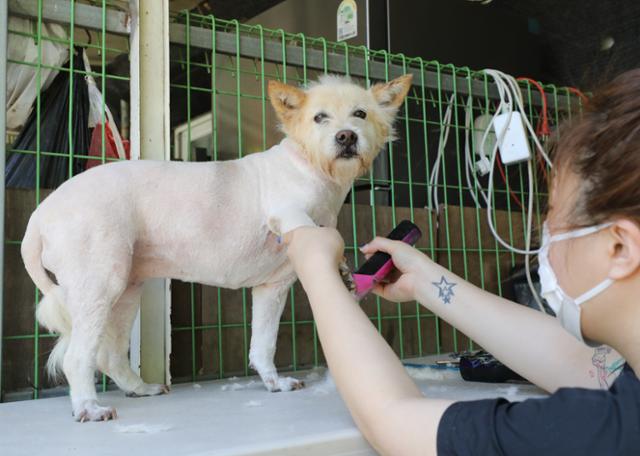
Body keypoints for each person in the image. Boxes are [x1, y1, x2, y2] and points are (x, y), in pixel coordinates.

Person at [283, 69, 640, 456]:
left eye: (553, 214)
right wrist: (424, 281)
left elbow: (393, 423)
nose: (544, 235)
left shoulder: (605, 433)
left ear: (620, 249)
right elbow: (580, 365)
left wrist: (317, 271)